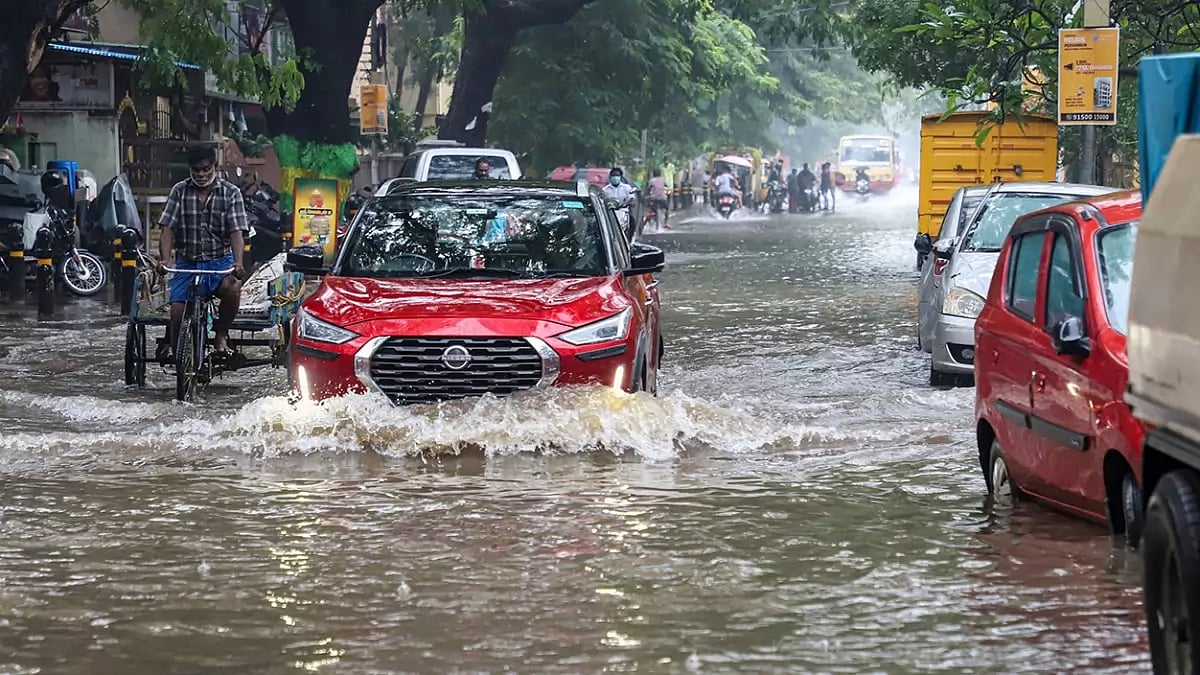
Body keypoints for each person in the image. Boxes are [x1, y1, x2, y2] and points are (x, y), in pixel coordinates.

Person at [157, 144, 249, 360]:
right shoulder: (179, 191)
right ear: (190, 169)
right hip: (188, 263)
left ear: (214, 168)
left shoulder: (231, 193)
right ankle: (177, 349)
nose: (201, 174)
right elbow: (168, 228)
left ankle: (221, 335)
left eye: (206, 169)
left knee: (233, 288)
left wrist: (238, 263)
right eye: (196, 170)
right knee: (178, 314)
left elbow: (236, 231)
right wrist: (163, 259)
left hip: (220, 263)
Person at [603, 167, 638, 236]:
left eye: (617, 176)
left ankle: (630, 241)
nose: (615, 177)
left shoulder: (626, 188)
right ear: (610, 177)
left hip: (623, 211)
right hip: (611, 212)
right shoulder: (605, 190)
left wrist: (631, 202)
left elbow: (632, 199)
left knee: (632, 222)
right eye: (613, 176)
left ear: (620, 177)